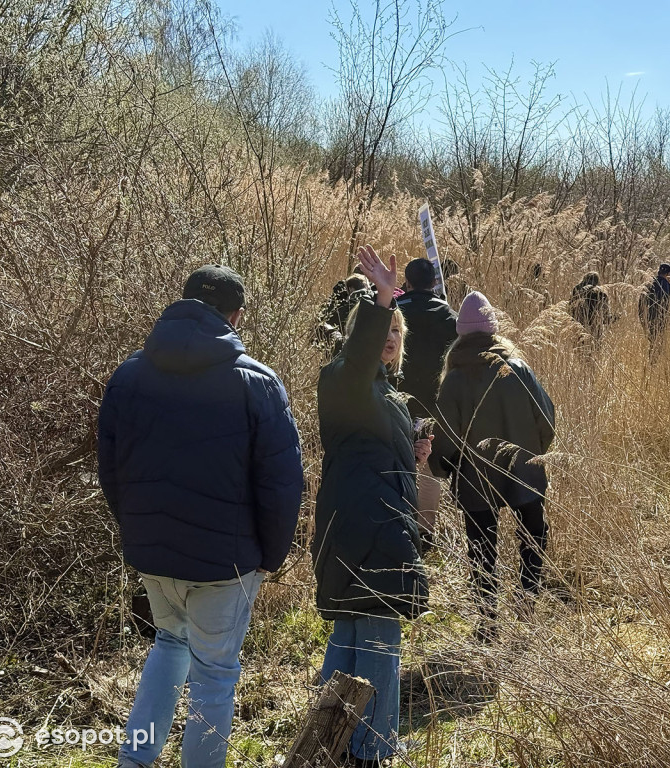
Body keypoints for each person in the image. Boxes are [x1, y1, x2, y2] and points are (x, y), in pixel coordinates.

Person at [97, 265, 304, 768]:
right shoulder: (256, 382)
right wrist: (270, 558)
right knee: (214, 676)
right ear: (235, 316)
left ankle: (135, 760)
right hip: (224, 564)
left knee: (168, 646)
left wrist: (138, 533)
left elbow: (110, 468)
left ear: (183, 302)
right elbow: (282, 484)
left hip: (153, 555)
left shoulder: (128, 376)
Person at [313, 245, 431, 767]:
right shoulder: (344, 377)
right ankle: (370, 749)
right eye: (382, 328)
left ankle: (327, 741)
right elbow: (358, 359)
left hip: (367, 526)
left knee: (351, 635)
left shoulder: (385, 394)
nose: (390, 336)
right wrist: (384, 298)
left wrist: (413, 449)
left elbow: (376, 452)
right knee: (379, 641)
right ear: (358, 333)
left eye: (398, 331)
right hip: (369, 529)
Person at [431, 291, 555, 642]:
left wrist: (444, 468)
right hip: (524, 472)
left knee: (482, 550)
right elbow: (546, 419)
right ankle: (528, 604)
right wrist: (534, 455)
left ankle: (488, 625)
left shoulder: (453, 380)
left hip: (475, 481)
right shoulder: (518, 369)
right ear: (494, 330)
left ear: (461, 334)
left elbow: (446, 441)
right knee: (534, 537)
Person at [396, 258, 458, 545]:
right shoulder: (450, 317)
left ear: (406, 283)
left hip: (397, 401)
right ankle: (425, 531)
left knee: (398, 461)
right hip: (437, 403)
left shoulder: (395, 312)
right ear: (434, 282)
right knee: (432, 466)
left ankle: (399, 525)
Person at [639, 262, 670, 349]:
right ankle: (653, 362)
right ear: (668, 274)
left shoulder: (649, 284)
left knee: (652, 344)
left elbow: (641, 304)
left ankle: (651, 362)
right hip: (659, 320)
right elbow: (669, 304)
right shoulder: (666, 285)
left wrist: (643, 321)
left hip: (647, 318)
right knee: (657, 346)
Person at [569, 271, 614, 339]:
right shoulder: (601, 293)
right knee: (595, 345)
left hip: (578, 326)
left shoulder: (576, 290)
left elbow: (570, 308)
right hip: (595, 328)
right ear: (597, 281)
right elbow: (606, 317)